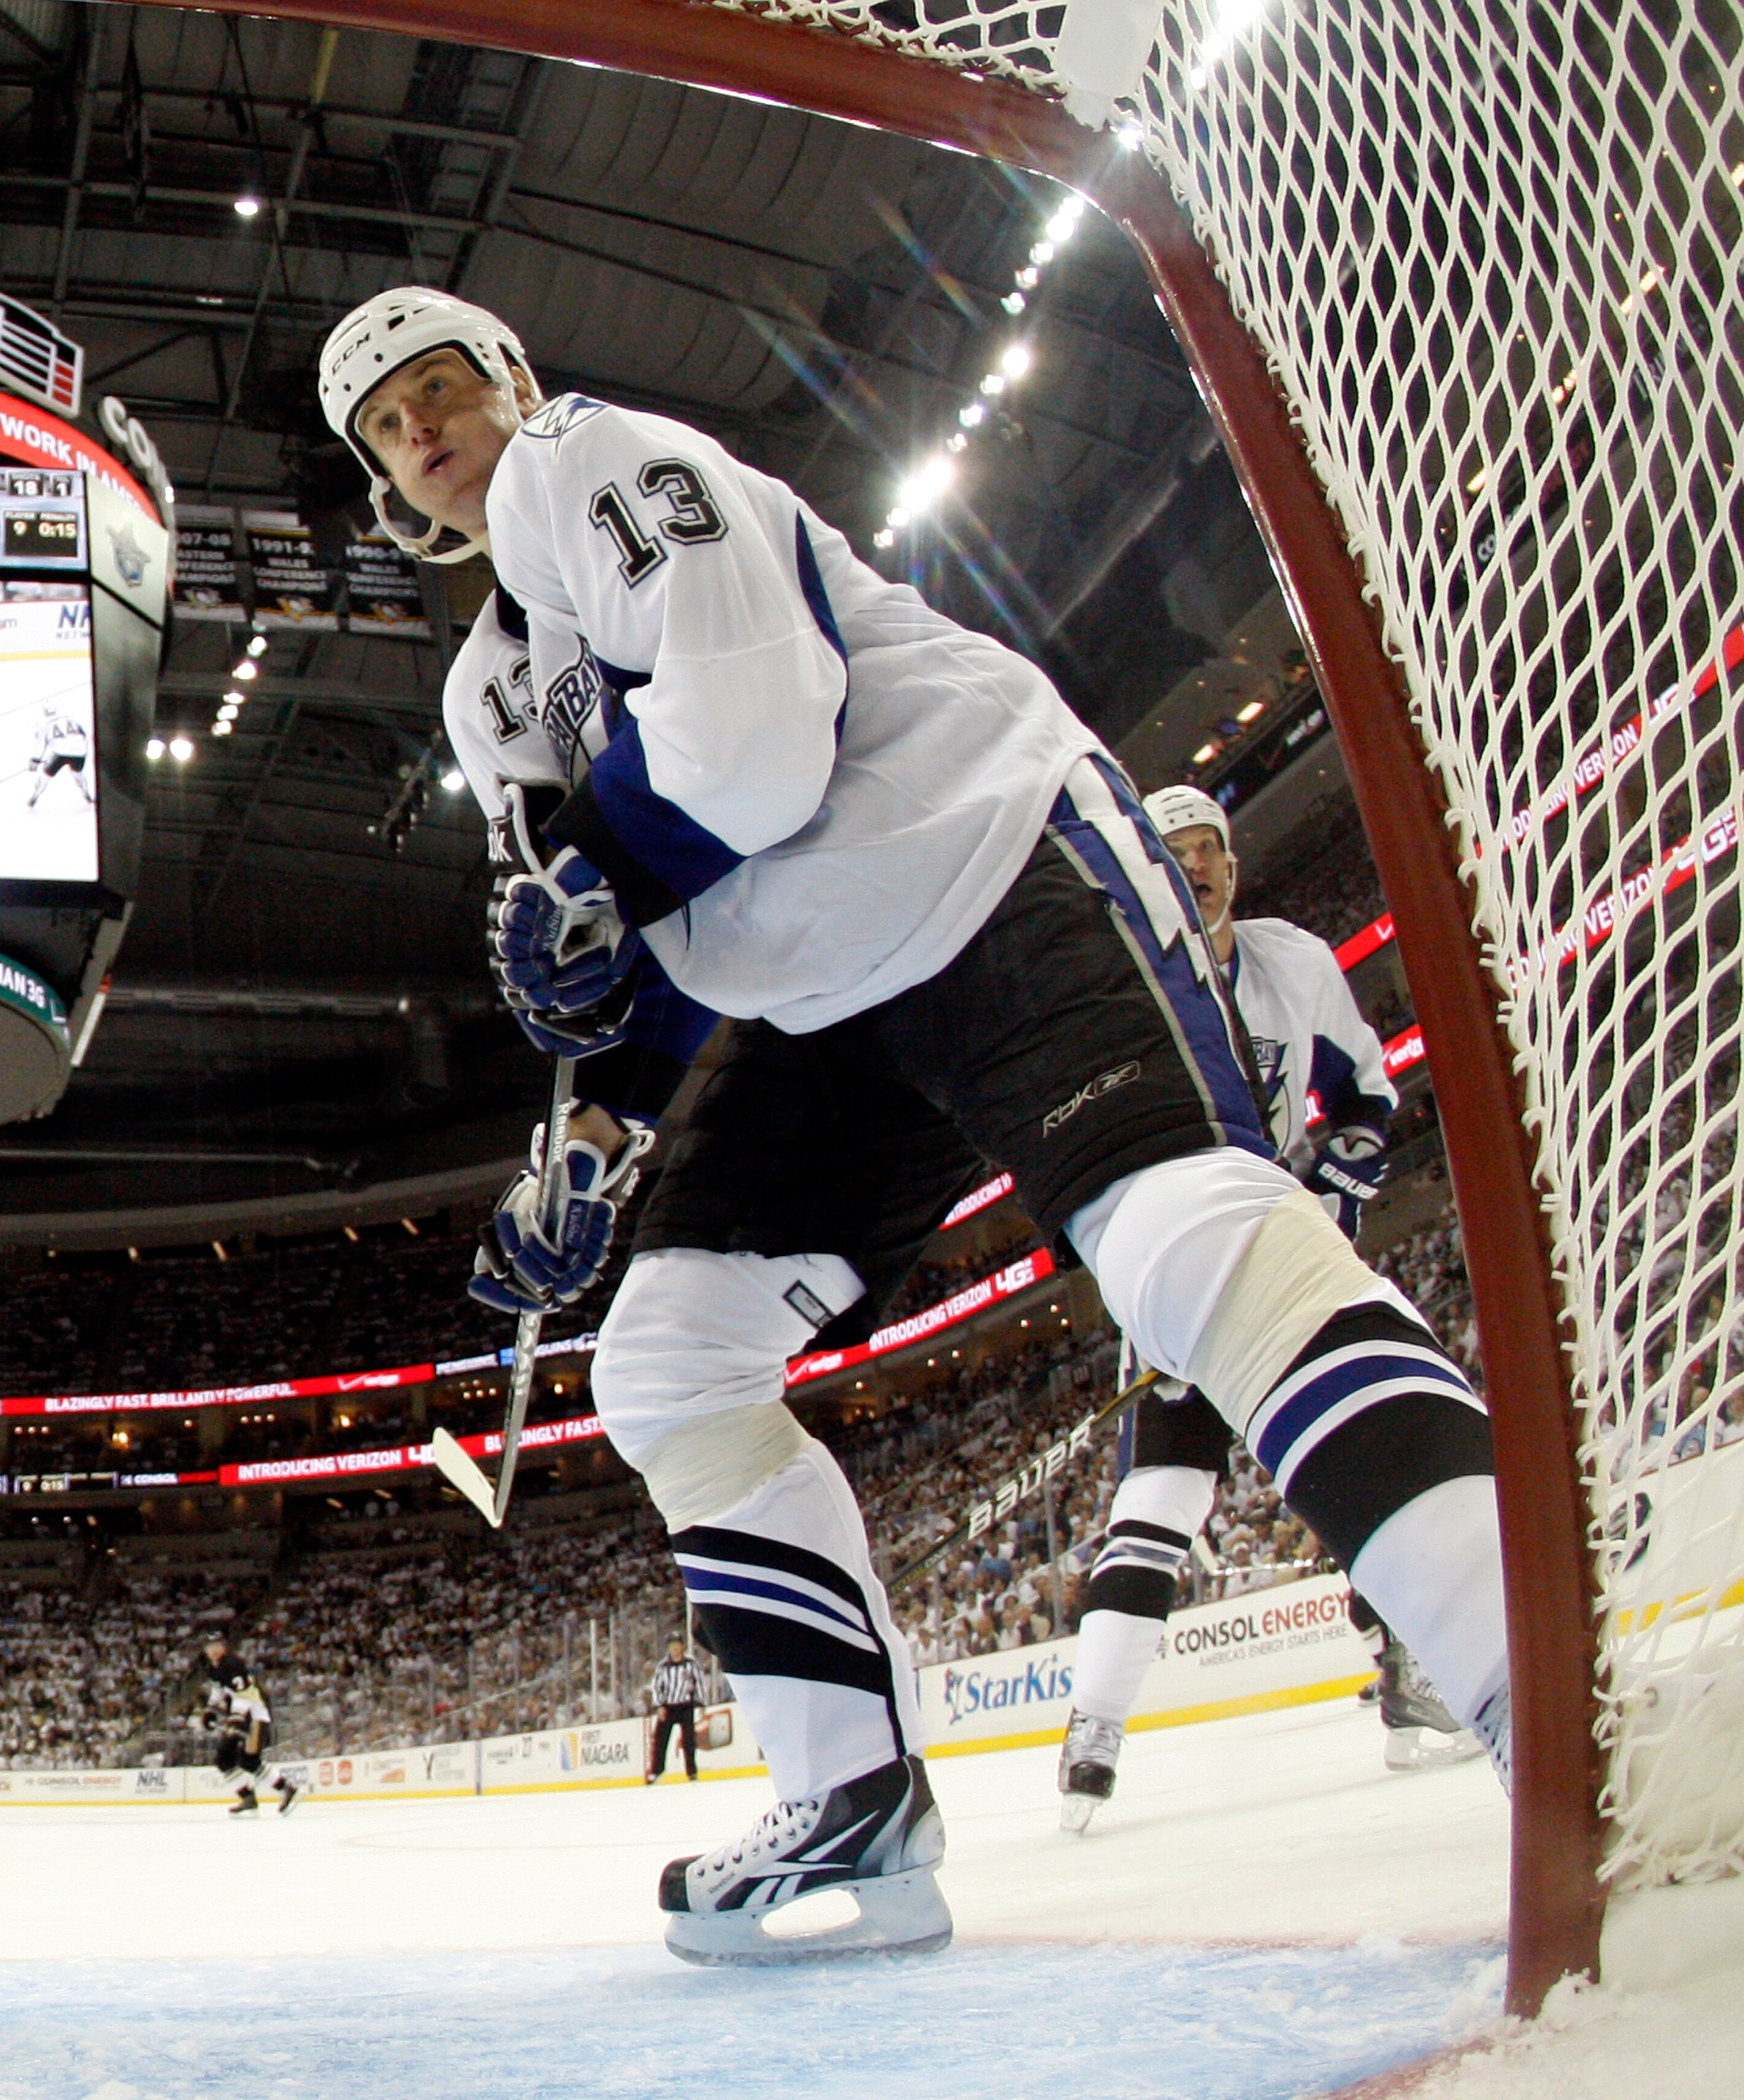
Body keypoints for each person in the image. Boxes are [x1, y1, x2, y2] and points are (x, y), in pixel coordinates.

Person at [317, 289, 1510, 1966]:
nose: (424, 430)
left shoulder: (596, 464)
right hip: (828, 999)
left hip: (991, 851)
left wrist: (594, 884)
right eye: (387, 427)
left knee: (1180, 1244)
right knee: (668, 1357)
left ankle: (1532, 1653)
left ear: (514, 379)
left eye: (443, 388)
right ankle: (855, 1809)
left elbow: (752, 736)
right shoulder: (496, 689)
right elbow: (640, 942)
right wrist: (591, 1136)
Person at [1057, 786, 1476, 1830]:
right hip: (1185, 1254)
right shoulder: (1121, 983)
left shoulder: (1294, 963)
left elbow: (1367, 1099)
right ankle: (1094, 1727)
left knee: (1384, 1441)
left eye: (1212, 851)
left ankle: (1414, 1660)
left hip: (1283, 1241)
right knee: (1163, 1496)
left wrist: (1335, 1185)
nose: (1197, 866)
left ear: (1232, 867)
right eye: (1175, 852)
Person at [195, 1632, 298, 1817]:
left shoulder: (233, 1664)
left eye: (217, 1645)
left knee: (249, 1760)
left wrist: (237, 1716)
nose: (213, 1650)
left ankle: (287, 1789)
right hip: (240, 1716)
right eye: (209, 1647)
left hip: (254, 1715)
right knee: (224, 1759)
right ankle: (248, 1798)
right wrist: (210, 1710)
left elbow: (246, 1694)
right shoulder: (213, 1667)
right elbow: (219, 1690)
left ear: (224, 1647)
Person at [647, 1635, 706, 1783]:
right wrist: (659, 1706)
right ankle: (657, 1771)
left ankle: (692, 1772)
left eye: (677, 1644)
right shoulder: (663, 1667)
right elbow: (656, 1687)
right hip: (668, 1707)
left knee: (689, 1741)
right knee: (660, 1741)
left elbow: (699, 1683)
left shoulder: (691, 1664)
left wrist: (701, 1704)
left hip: (686, 1706)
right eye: (672, 1645)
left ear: (683, 1646)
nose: (675, 1648)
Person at [27, 703, 92, 807]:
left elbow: (40, 743)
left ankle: (36, 795)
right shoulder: (70, 718)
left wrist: (36, 759)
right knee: (77, 773)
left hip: (61, 753)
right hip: (80, 751)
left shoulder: (44, 724)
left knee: (46, 775)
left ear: (45, 712)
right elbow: (85, 733)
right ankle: (86, 792)